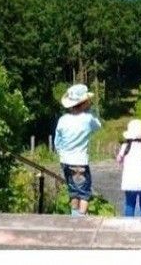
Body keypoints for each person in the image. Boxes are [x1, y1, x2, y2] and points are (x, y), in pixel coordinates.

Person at [54, 83, 102, 217]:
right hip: (79, 161)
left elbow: (57, 142)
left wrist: (61, 153)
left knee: (73, 191)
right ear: (84, 102)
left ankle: (74, 215)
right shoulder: (88, 119)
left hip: (65, 161)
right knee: (84, 193)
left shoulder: (62, 119)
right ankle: (81, 218)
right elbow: (98, 126)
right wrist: (91, 111)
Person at [116, 119, 141, 217]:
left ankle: (129, 226)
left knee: (129, 204)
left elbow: (119, 159)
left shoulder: (125, 146)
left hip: (130, 180)